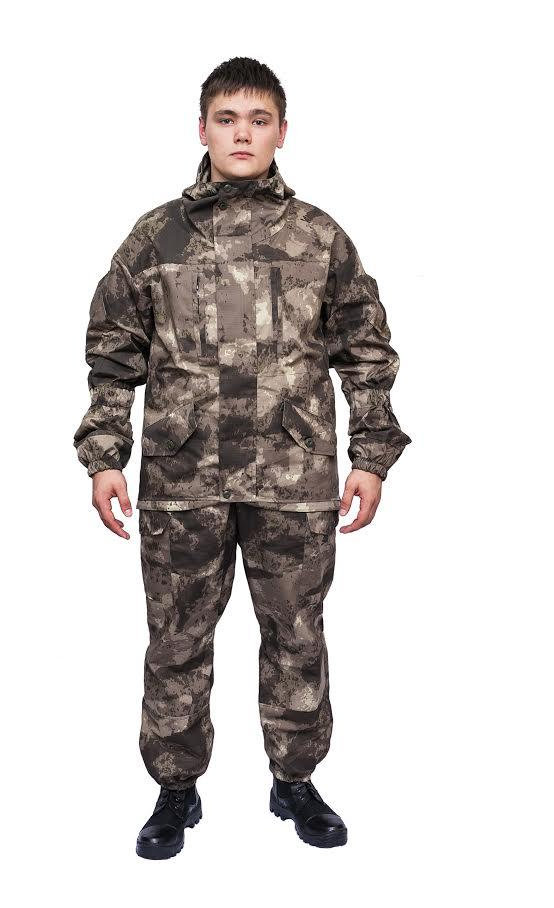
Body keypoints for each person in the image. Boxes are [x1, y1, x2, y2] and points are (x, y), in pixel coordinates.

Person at [73, 56, 411, 859]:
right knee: (176, 641)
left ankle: (295, 780)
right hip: (182, 479)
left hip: (293, 479)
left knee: (297, 636)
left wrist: (371, 456)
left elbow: (366, 350)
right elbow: (113, 354)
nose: (242, 134)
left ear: (282, 132)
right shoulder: (157, 236)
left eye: (259, 120)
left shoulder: (318, 236)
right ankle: (175, 789)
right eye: (227, 119)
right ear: (202, 129)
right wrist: (105, 454)